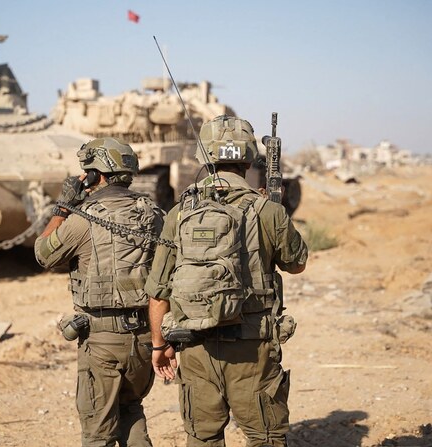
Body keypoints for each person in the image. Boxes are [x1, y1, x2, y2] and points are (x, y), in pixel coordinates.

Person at [145, 115, 308, 447]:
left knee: (202, 437)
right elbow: (296, 263)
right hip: (253, 350)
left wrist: (160, 346)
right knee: (265, 437)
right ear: (249, 159)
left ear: (205, 157)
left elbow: (159, 292)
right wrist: (274, 209)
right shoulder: (266, 209)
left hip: (195, 346)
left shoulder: (179, 213)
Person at [34, 136, 165, 447]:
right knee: (132, 410)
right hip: (146, 338)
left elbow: (43, 254)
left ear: (95, 175)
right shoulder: (155, 214)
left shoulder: (83, 219)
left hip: (102, 342)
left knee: (98, 433)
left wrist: (63, 206)